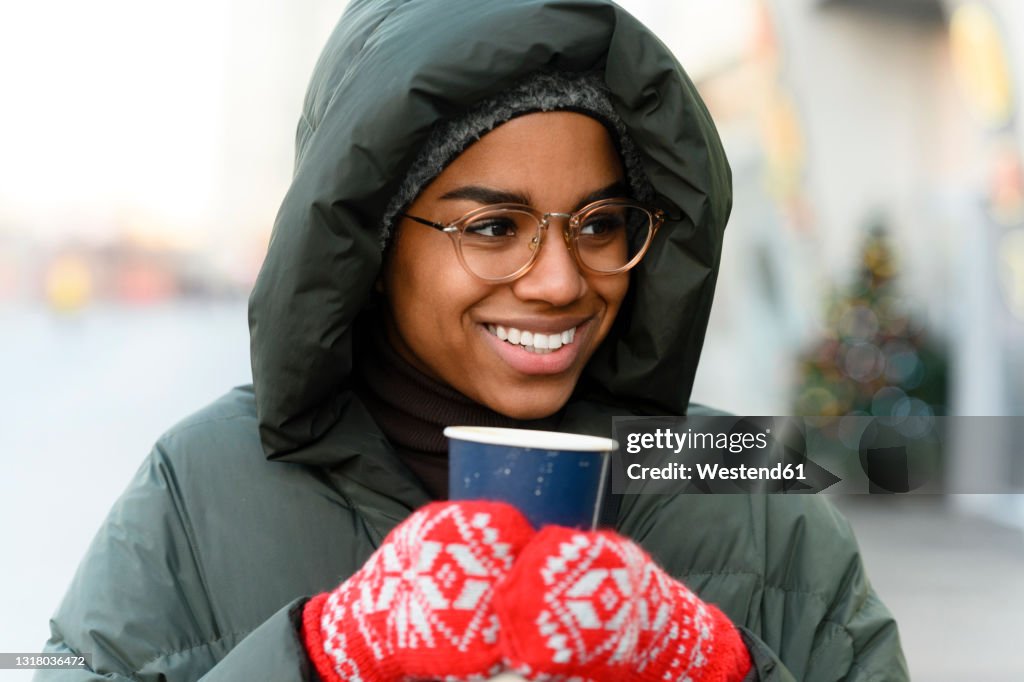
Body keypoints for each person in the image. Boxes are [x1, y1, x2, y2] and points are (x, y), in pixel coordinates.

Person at [38, 1, 908, 680]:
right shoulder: (201, 486)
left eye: (602, 224)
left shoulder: (741, 491)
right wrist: (317, 653)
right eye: (493, 227)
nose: (562, 280)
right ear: (371, 244)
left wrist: (721, 669)